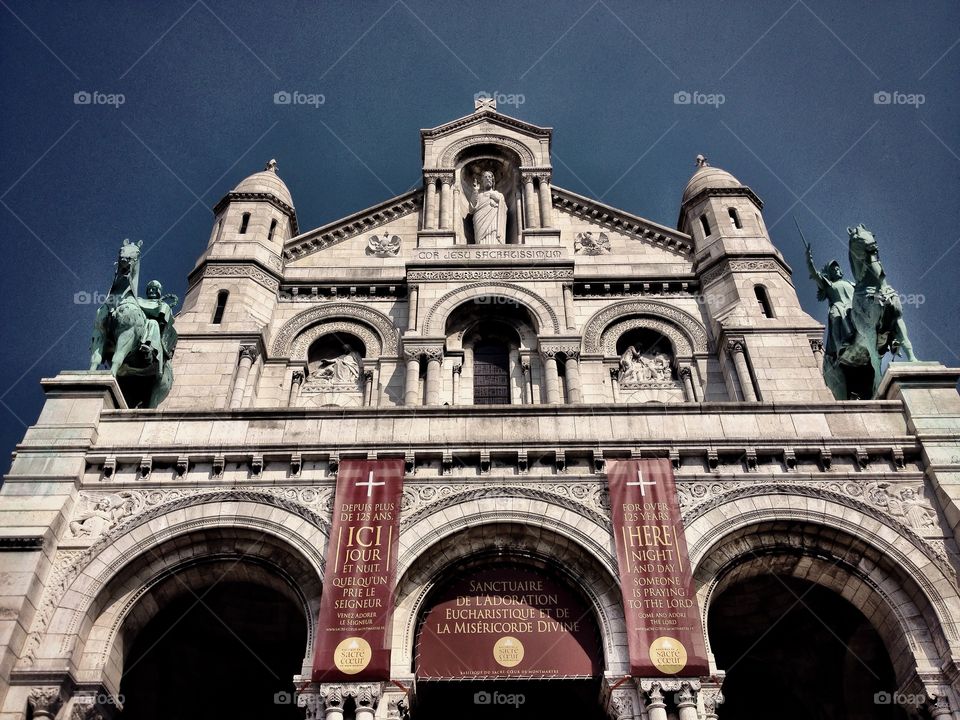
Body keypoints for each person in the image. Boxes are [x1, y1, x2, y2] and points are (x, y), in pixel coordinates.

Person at [806, 250, 855, 359]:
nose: (836, 270)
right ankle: (839, 345)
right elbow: (815, 274)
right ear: (829, 274)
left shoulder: (850, 283)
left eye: (837, 268)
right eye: (833, 269)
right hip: (838, 307)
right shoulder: (829, 285)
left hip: (853, 306)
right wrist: (810, 262)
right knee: (835, 316)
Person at [137, 280, 175, 373]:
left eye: (153, 289)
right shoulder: (139, 300)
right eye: (149, 289)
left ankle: (148, 347)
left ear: (158, 291)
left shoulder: (163, 305)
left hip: (152, 325)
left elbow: (167, 321)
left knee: (153, 323)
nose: (151, 291)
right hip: (139, 322)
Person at [470, 170, 507, 245]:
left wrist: (499, 201)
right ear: (482, 181)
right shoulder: (479, 195)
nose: (488, 179)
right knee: (481, 241)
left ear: (492, 181)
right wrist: (475, 191)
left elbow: (504, 210)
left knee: (493, 234)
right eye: (485, 177)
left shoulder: (499, 195)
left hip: (494, 223)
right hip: (480, 222)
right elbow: (471, 209)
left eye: (490, 177)